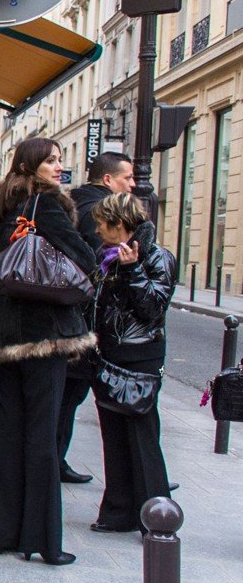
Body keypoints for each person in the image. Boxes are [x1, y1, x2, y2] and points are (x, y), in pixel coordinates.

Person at [0, 137, 97, 566]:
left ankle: (5, 531)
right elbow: (83, 258)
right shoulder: (47, 205)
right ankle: (44, 540)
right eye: (51, 160)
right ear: (31, 166)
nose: (58, 166)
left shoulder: (7, 206)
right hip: (46, 332)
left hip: (9, 333)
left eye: (60, 159)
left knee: (10, 431)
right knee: (43, 434)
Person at [89, 193, 175, 534]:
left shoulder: (157, 257)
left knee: (142, 436)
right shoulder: (105, 255)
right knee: (113, 436)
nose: (96, 229)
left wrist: (133, 270)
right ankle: (118, 511)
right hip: (108, 353)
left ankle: (156, 514)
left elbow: (153, 309)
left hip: (139, 357)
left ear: (119, 224)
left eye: (101, 223)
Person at [57, 151, 135, 484]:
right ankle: (54, 460)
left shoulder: (76, 203)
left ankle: (54, 458)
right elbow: (97, 265)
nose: (132, 184)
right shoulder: (98, 212)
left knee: (68, 394)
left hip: (71, 316)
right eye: (126, 178)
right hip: (82, 320)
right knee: (70, 393)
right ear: (107, 180)